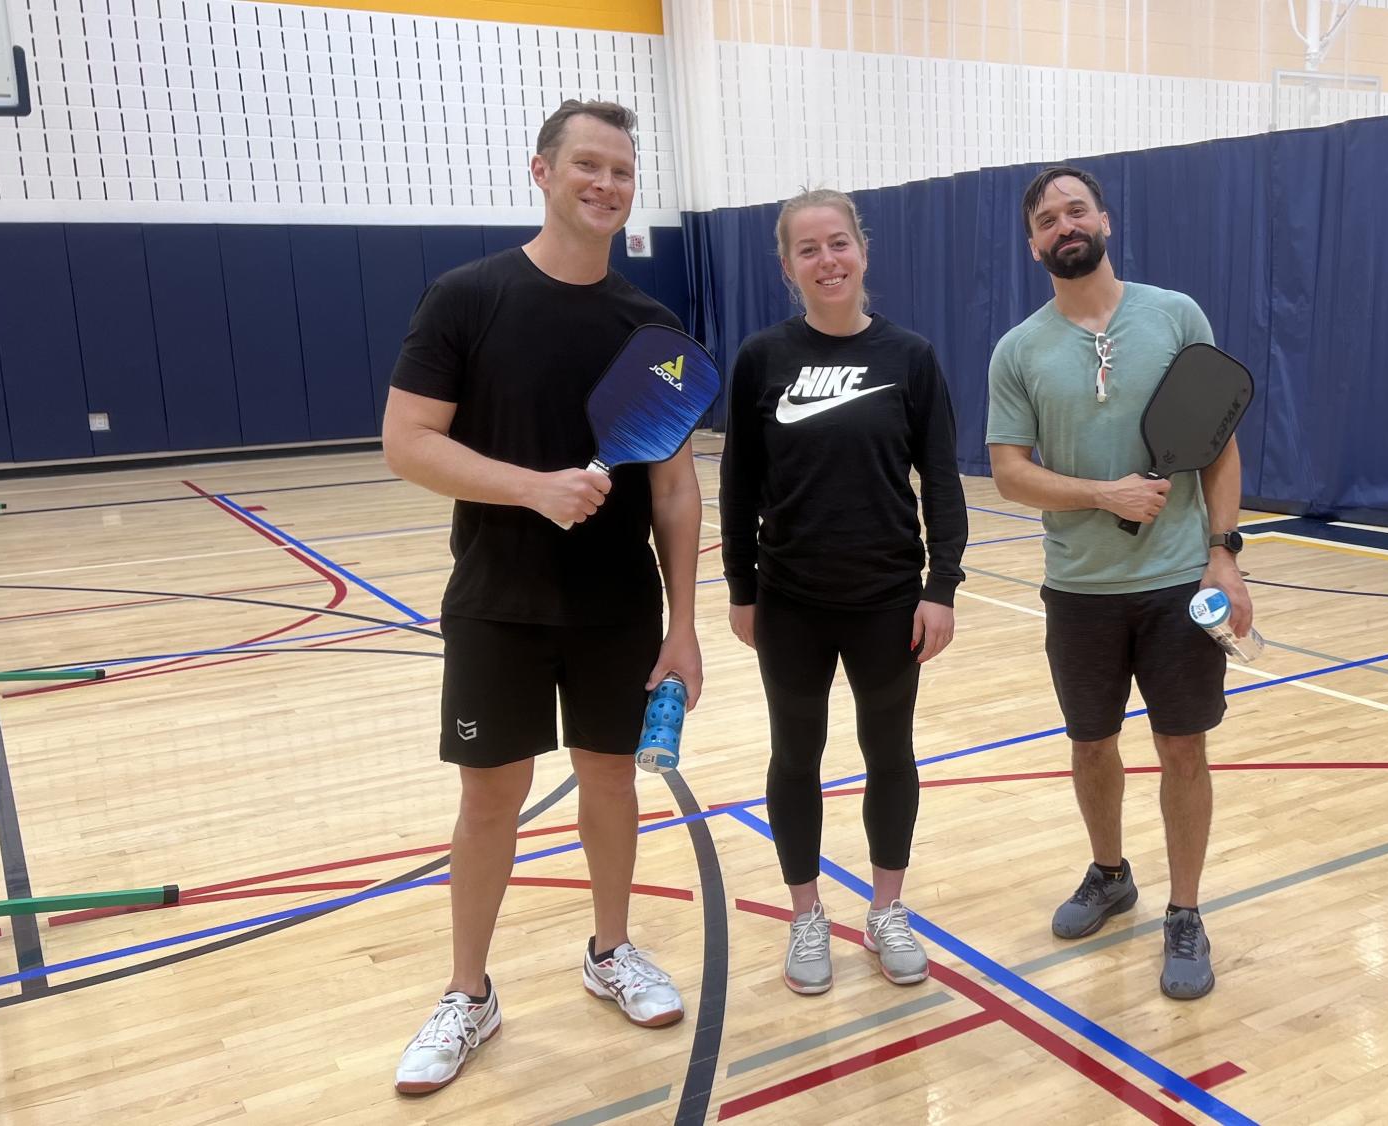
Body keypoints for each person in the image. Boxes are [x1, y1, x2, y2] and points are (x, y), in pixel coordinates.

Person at [380, 98, 703, 1094]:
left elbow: (677, 487)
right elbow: (408, 442)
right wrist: (535, 487)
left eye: (621, 171)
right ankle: (468, 992)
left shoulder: (653, 327)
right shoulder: (465, 297)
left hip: (618, 608)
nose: (606, 185)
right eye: (588, 166)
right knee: (491, 798)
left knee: (612, 784)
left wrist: (685, 624)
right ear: (543, 171)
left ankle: (610, 950)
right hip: (497, 601)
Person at [984, 165, 1254, 1001]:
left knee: (1182, 747)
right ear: (1032, 245)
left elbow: (1217, 442)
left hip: (1179, 583)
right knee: (1091, 744)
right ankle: (1110, 874)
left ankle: (1184, 911)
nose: (1063, 226)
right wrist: (1101, 494)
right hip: (1078, 589)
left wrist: (1224, 554)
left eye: (1075, 210)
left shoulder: (1175, 317)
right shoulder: (1018, 350)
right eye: (1045, 220)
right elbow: (1008, 474)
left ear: (1103, 220)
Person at [719, 188, 968, 995]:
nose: (827, 261)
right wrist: (740, 587)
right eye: (808, 249)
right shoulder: (762, 357)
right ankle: (805, 916)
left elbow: (941, 480)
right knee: (796, 754)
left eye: (838, 244)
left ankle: (886, 910)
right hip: (789, 600)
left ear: (862, 250)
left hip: (888, 599)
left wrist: (942, 587)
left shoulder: (910, 357)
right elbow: (736, 483)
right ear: (788, 265)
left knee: (888, 753)